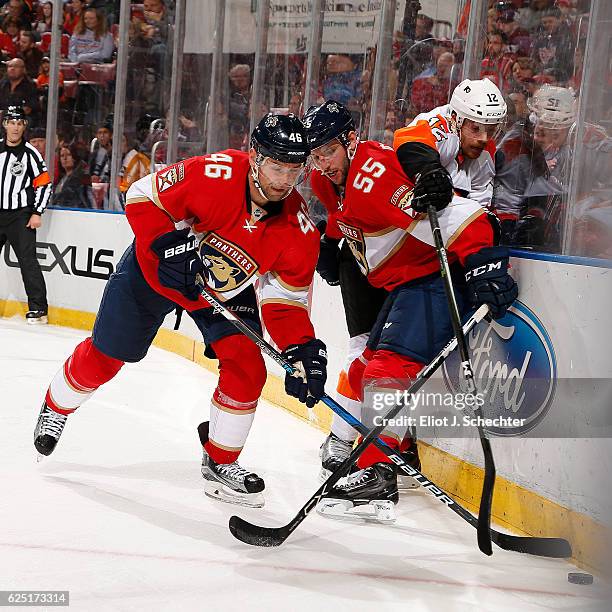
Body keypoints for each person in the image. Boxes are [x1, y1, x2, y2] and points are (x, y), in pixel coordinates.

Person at [33, 113, 328, 509]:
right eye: (277, 167)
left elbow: (286, 300)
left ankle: (221, 463)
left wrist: (301, 346)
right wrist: (164, 244)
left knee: (248, 366)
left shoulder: (300, 228)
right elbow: (141, 194)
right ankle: (56, 407)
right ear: (255, 156)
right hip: (154, 272)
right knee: (107, 357)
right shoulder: (214, 172)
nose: (284, 181)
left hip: (224, 295)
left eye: (295, 171)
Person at [304, 83, 517, 523]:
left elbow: (467, 218)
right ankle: (377, 454)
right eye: (314, 154)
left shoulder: (374, 176)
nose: (321, 163)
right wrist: (330, 240)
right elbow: (344, 218)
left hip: (435, 280)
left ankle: (379, 474)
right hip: (407, 284)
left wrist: (484, 267)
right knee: (365, 366)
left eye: (328, 151)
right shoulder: (327, 181)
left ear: (349, 141)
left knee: (387, 369)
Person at [0, 105, 52, 324]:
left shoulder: (30, 153)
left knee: (28, 261)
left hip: (20, 216)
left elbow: (45, 184)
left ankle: (39, 309)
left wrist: (36, 212)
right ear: (4, 125)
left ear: (24, 126)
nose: (15, 127)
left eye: (19, 123)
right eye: (11, 122)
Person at [0, 57, 41, 127]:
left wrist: (6, 114)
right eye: (10, 66)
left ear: (23, 70)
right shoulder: (2, 83)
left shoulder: (30, 85)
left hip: (21, 118)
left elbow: (28, 109)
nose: (12, 68)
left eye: (16, 66)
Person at [51, 143, 95, 209]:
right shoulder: (61, 179)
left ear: (75, 156)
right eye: (62, 156)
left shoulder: (82, 177)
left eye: (68, 155)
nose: (65, 158)